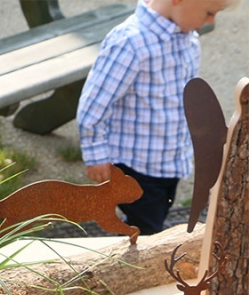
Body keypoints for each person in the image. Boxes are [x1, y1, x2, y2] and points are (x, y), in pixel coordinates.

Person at [77, 0, 240, 235]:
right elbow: (94, 103)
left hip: (167, 161)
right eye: (209, 12)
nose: (211, 21)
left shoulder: (187, 40)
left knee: (155, 218)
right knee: (145, 229)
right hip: (135, 165)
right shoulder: (131, 43)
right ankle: (130, 264)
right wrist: (95, 154)